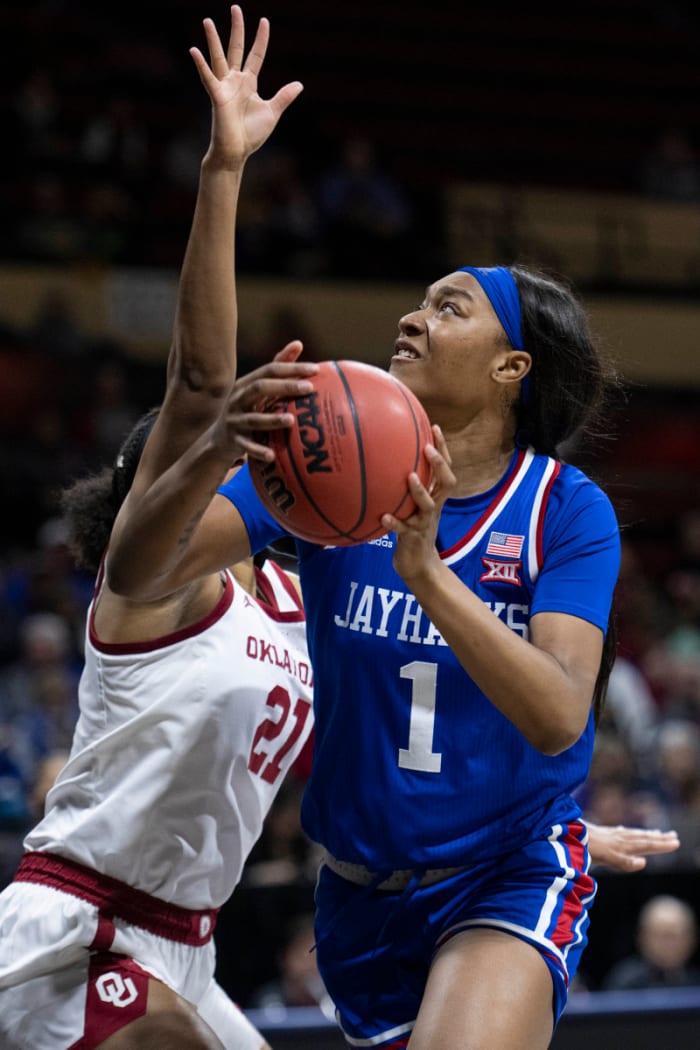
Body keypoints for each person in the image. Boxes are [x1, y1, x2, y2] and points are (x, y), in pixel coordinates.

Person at [98, 20, 665, 1050]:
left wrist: (429, 575)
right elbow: (138, 575)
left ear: (510, 370)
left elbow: (554, 715)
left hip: (506, 874)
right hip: (357, 894)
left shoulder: (561, 508)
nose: (410, 319)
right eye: (414, 302)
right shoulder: (322, 484)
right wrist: (220, 441)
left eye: (447, 310)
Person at [0, 8, 316, 1050]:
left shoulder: (287, 594)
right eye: (194, 455)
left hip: (187, 941)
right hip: (75, 928)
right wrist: (223, 171)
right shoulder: (153, 587)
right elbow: (200, 382)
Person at [602, 894, 700, 990]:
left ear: (691, 939)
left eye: (674, 936)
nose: (668, 944)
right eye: (661, 936)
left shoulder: (696, 983)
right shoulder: (624, 982)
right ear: (643, 937)